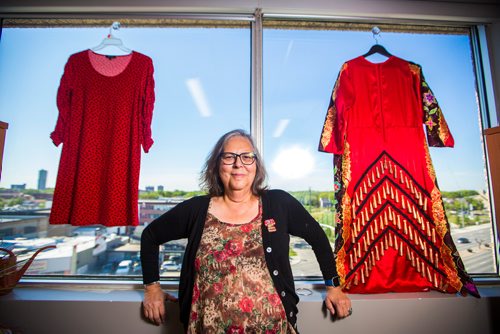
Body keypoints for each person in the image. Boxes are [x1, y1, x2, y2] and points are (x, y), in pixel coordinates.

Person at [141, 129, 352, 333]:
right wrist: (152, 288)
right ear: (216, 165)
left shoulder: (279, 203)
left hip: (273, 328)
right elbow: (150, 236)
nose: (238, 164)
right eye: (229, 157)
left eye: (246, 156)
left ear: (256, 165)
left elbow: (317, 237)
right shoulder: (196, 210)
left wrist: (333, 287)